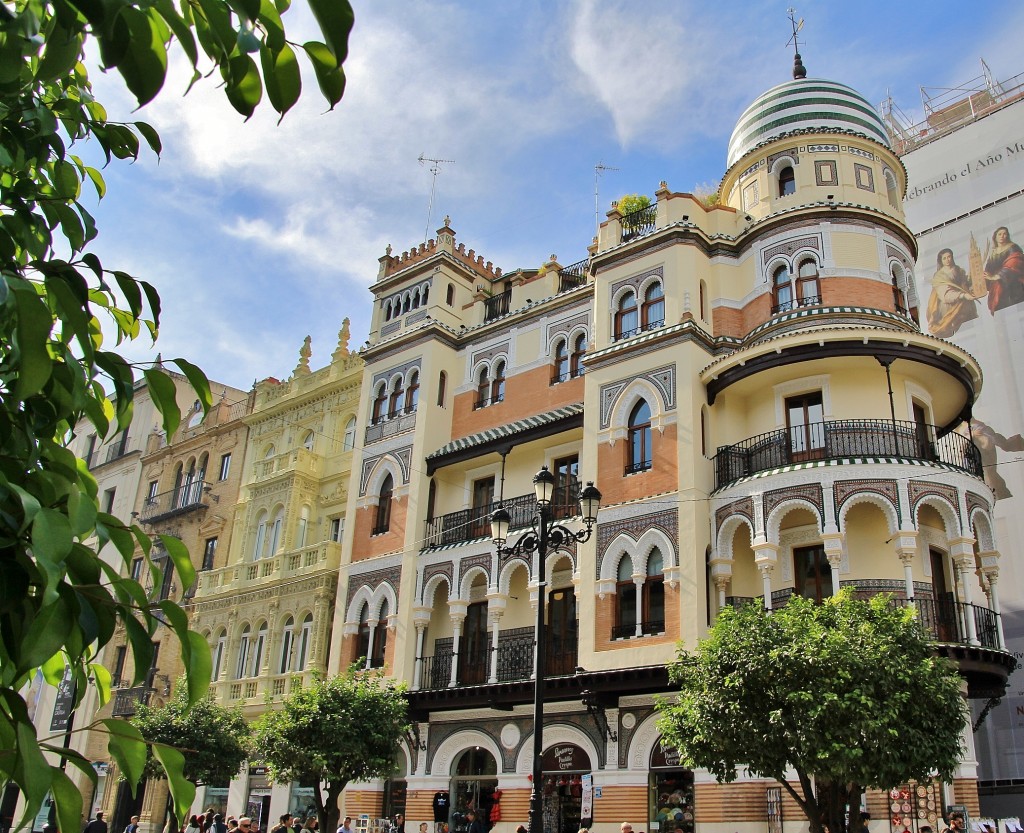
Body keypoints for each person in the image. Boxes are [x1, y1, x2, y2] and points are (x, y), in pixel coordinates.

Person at [927, 248, 978, 337]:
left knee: (972, 329)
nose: (947, 260)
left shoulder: (959, 270)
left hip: (965, 304)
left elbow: (965, 283)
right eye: (944, 258)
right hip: (949, 306)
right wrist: (963, 295)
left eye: (949, 257)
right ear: (941, 261)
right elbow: (945, 295)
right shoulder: (939, 276)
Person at [985, 225, 1024, 312]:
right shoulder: (993, 252)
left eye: (1004, 234)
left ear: (1007, 236)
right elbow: (988, 269)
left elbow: (1015, 262)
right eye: (1000, 234)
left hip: (1013, 284)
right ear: (995, 237)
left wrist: (997, 276)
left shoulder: (1013, 247)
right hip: (997, 287)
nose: (1002, 236)